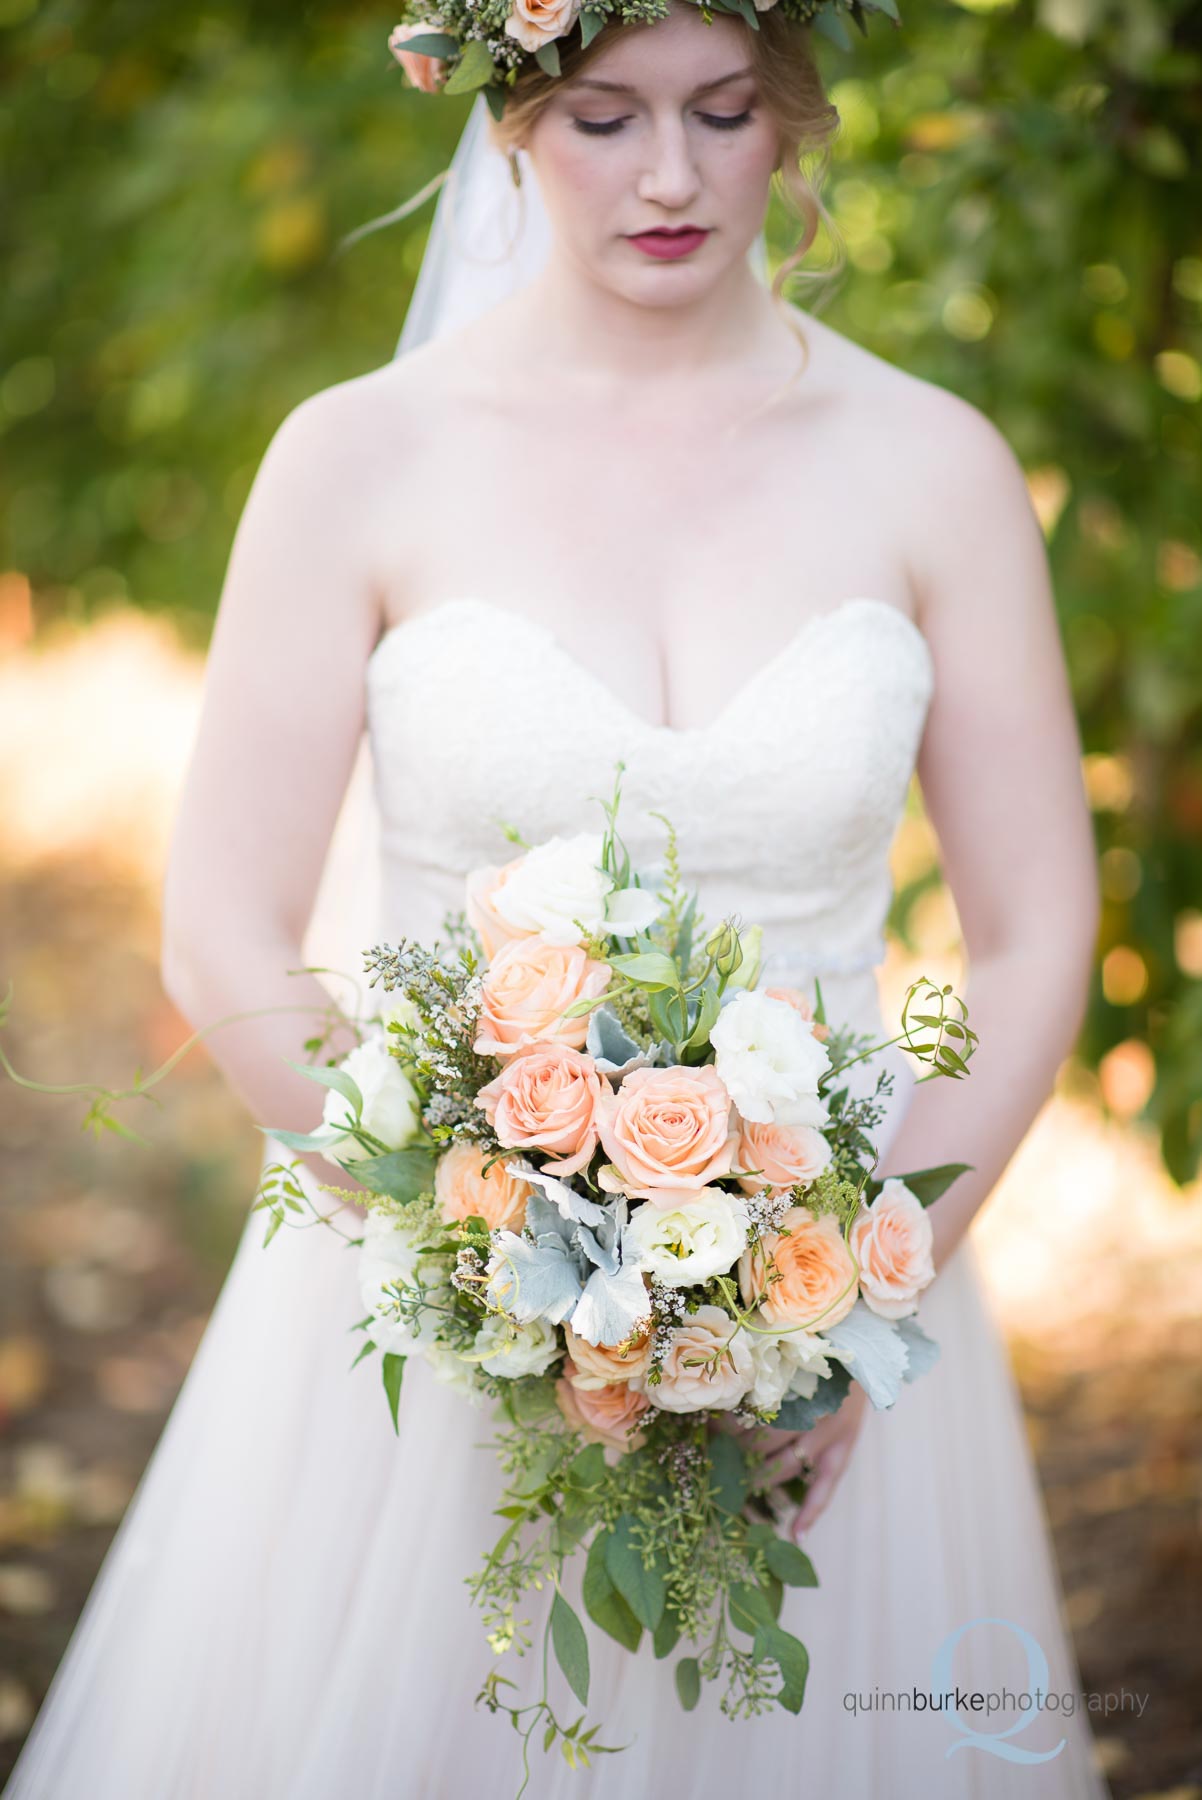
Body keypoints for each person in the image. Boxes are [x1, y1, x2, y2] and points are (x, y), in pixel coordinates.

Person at [4, 3, 1113, 1795]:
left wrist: (848, 1305)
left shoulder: (935, 467)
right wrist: (494, 1268)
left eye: (724, 111)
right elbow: (220, 927)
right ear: (509, 115)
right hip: (432, 1298)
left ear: (797, 116)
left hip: (840, 1289)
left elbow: (1033, 934)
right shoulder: (356, 456)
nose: (669, 176)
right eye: (604, 117)